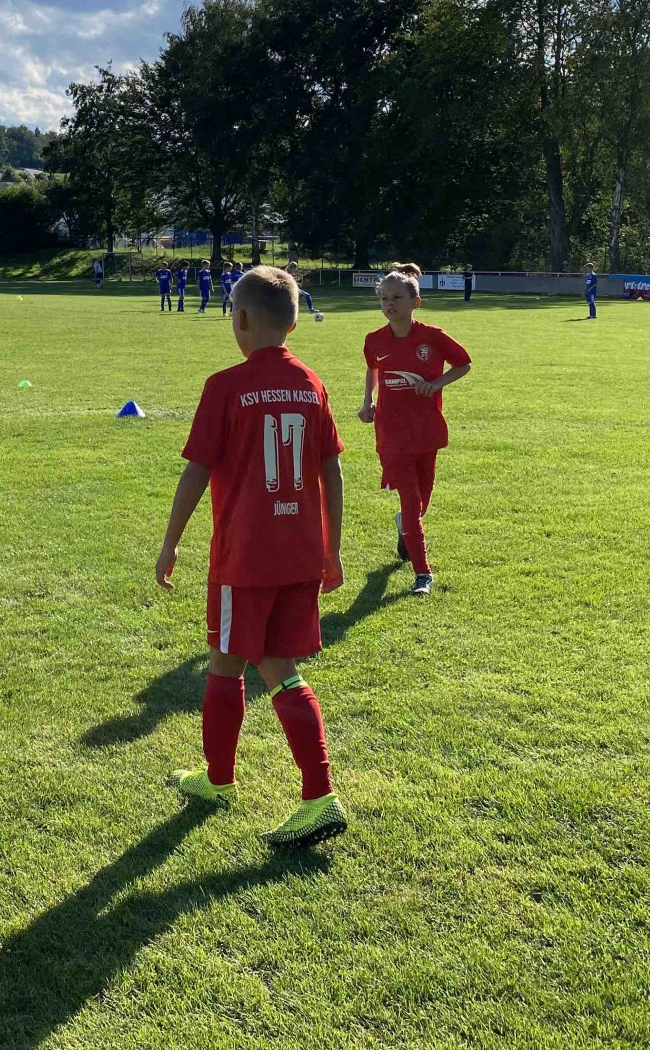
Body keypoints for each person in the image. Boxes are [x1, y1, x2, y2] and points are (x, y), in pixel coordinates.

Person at [154, 265, 349, 847]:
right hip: (301, 552)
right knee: (253, 661)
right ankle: (236, 781)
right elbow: (332, 471)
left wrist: (170, 542)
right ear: (293, 323)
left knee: (244, 664)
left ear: (240, 318)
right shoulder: (311, 383)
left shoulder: (225, 386)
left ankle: (303, 793)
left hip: (245, 556)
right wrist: (333, 548)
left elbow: (196, 472)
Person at [360, 264, 471, 596]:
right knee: (410, 501)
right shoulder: (374, 340)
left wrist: (436, 384)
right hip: (391, 435)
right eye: (384, 298)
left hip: (426, 430)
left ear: (415, 302)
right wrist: (367, 401)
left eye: (396, 298)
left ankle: (404, 526)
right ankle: (423, 574)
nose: (389, 304)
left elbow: (463, 363)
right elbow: (372, 369)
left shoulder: (432, 337)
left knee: (421, 503)